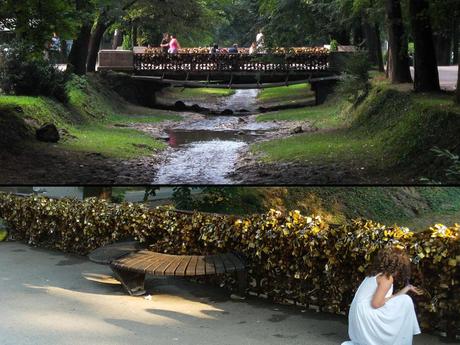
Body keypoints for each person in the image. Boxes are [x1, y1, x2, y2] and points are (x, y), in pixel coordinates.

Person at [341, 246, 423, 345]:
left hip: (360, 314)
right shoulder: (386, 278)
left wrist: (407, 288)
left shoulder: (376, 273)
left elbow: (383, 299)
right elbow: (376, 303)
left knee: (403, 299)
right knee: (406, 301)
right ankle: (399, 340)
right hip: (367, 316)